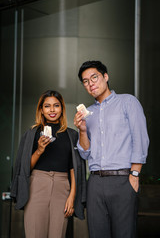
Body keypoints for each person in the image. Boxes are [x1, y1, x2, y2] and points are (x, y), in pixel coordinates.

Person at [74, 60, 149, 238]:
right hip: (95, 182)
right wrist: (82, 130)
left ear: (106, 77)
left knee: (124, 233)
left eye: (94, 77)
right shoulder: (87, 114)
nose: (90, 83)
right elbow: (84, 153)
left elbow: (140, 138)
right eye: (85, 81)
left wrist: (135, 174)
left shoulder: (128, 102)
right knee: (97, 234)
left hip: (123, 180)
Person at [11, 90, 86, 238]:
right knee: (34, 233)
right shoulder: (31, 133)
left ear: (62, 109)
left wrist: (72, 196)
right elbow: (25, 168)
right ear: (41, 109)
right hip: (36, 186)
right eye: (47, 106)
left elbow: (74, 168)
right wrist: (39, 150)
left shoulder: (72, 135)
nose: (52, 110)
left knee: (58, 234)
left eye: (56, 105)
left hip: (62, 187)